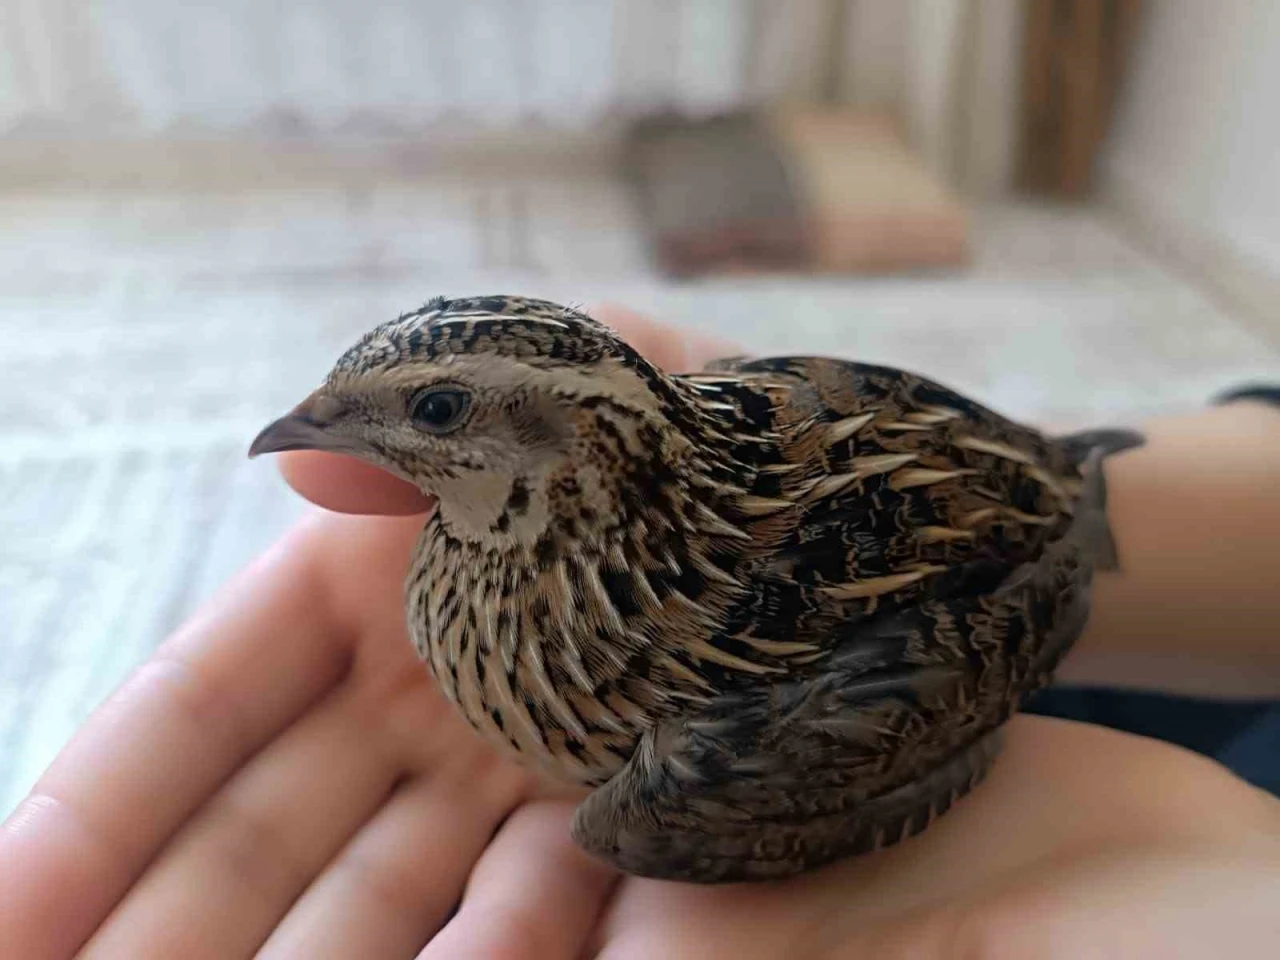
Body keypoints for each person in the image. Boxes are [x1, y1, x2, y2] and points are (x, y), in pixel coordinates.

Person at [3, 305, 1278, 959]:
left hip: (984, 608)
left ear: (575, 447)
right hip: (1046, 547)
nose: (323, 431)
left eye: (435, 412)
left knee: (654, 818)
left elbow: (995, 555)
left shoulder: (699, 747)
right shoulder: (507, 550)